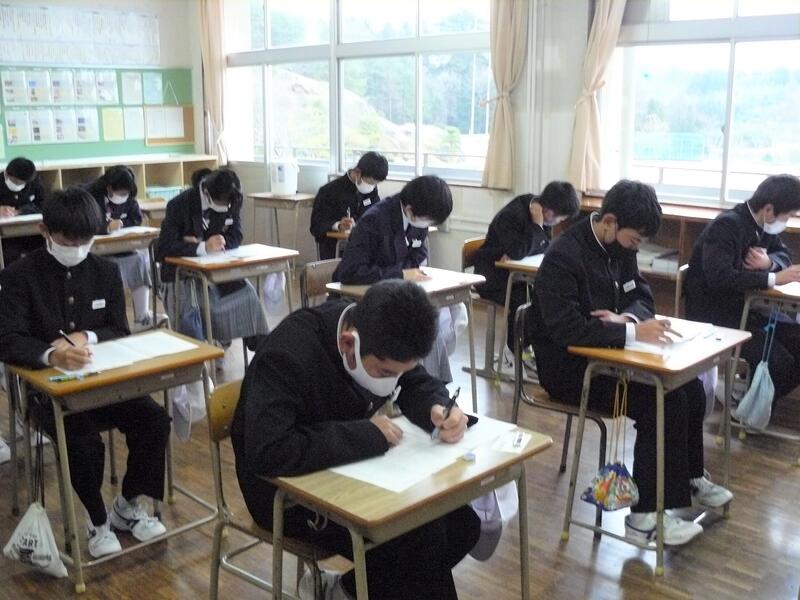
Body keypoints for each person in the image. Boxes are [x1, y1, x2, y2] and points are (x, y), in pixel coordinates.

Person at [231, 280, 480, 600]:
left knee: (462, 524)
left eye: (399, 372)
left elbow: (415, 382)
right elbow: (269, 450)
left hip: (345, 473)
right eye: (385, 372)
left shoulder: (381, 336)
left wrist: (437, 405)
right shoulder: (287, 353)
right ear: (349, 343)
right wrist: (367, 435)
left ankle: (344, 591)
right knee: (419, 539)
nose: (393, 381)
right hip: (282, 494)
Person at [525, 179, 732, 546]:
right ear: (609, 221)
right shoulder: (563, 257)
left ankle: (687, 477)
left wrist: (628, 320)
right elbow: (567, 330)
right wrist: (631, 333)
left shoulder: (620, 247)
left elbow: (642, 297)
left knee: (689, 388)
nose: (636, 248)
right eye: (635, 239)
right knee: (662, 401)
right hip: (569, 370)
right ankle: (643, 519)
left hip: (610, 357)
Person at [0, 187, 170, 558]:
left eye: (85, 241)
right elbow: (8, 339)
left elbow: (118, 329)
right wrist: (51, 355)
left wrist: (87, 336)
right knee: (82, 440)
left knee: (155, 420)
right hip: (47, 393)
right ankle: (97, 519)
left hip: (104, 383)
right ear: (45, 231)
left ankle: (126, 505)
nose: (77, 248)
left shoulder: (105, 271)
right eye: (68, 241)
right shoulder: (19, 276)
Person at [685, 174, 800, 403]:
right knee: (778, 361)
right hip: (716, 314)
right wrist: (773, 278)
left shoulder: (763, 226)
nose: (786, 221)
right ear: (769, 209)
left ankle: (746, 399)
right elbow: (720, 278)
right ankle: (745, 405)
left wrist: (769, 263)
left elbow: (784, 254)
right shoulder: (727, 225)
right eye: (787, 216)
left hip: (748, 309)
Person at [332, 175, 456, 381]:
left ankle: (431, 383)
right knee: (418, 326)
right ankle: (422, 382)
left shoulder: (417, 218)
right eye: (427, 221)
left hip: (394, 295)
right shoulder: (374, 220)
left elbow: (418, 254)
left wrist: (407, 273)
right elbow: (351, 272)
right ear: (410, 209)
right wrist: (400, 274)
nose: (426, 226)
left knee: (443, 315)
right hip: (362, 299)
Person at [155, 167, 269, 353]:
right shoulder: (179, 205)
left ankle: (263, 350)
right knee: (194, 310)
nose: (225, 208)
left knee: (248, 294)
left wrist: (221, 242)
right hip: (182, 278)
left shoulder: (232, 199)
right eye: (221, 203)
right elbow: (163, 249)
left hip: (217, 271)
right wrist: (202, 247)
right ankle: (202, 354)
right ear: (207, 193)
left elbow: (236, 234)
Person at [473, 181, 580, 359]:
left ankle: (538, 349)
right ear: (549, 212)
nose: (557, 223)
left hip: (514, 276)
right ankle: (518, 350)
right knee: (524, 299)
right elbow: (518, 250)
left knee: (546, 295)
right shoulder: (513, 215)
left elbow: (543, 246)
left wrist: (525, 247)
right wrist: (536, 227)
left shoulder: (540, 211)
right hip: (491, 277)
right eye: (560, 219)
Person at [85, 165, 160, 331]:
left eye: (126, 193)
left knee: (140, 260)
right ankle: (106, 320)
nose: (123, 196)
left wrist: (122, 224)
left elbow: (136, 218)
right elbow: (85, 223)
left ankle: (142, 317)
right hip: (97, 251)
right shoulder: (90, 195)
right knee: (107, 268)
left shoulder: (129, 195)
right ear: (109, 187)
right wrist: (106, 227)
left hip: (122, 247)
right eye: (120, 193)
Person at [310, 151, 388, 260]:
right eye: (370, 183)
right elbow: (316, 225)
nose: (372, 187)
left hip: (363, 246)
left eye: (375, 184)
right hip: (335, 247)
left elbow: (376, 216)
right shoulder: (329, 191)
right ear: (358, 172)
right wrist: (338, 225)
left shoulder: (371, 191)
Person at [0, 156, 46, 264]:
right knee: (10, 254)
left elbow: (43, 203)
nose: (19, 185)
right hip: (6, 236)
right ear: (6, 174)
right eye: (16, 182)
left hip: (32, 230)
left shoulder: (33, 181)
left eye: (22, 183)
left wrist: (21, 211)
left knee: (45, 248)